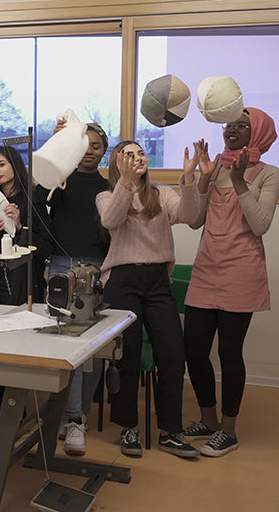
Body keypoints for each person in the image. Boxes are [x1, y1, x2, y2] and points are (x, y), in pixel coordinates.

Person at [182, 108, 279, 457]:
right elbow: (194, 220)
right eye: (228, 125)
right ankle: (208, 420)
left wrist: (239, 181)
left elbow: (260, 224)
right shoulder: (216, 167)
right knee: (194, 349)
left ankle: (228, 430)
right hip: (206, 271)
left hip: (242, 273)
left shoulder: (270, 174)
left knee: (228, 352)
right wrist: (199, 180)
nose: (231, 130)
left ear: (259, 133)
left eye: (242, 126)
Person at [96, 139, 201, 458]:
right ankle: (128, 428)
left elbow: (191, 216)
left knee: (172, 354)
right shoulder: (106, 196)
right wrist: (126, 183)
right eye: (128, 155)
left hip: (157, 281)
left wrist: (189, 178)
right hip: (122, 281)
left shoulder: (161, 194)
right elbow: (110, 221)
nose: (137, 158)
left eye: (140, 153)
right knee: (126, 355)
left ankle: (170, 432)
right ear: (116, 164)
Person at [36, 122, 110, 456]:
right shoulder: (61, 180)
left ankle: (78, 414)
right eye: (85, 144)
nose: (90, 150)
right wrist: (57, 145)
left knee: (93, 349)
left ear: (104, 150)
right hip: (62, 267)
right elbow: (36, 199)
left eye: (96, 145)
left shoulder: (108, 186)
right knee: (68, 344)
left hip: (98, 268)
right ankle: (74, 416)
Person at [0, 144, 53, 306]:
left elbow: (45, 248)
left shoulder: (33, 200)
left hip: (26, 280)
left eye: (1, 164)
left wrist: (20, 227)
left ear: (15, 165)